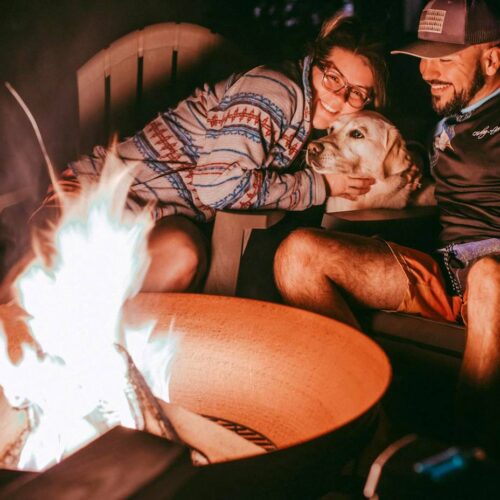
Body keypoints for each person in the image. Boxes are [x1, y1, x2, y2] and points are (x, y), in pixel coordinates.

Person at [0, 14, 391, 302]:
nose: (340, 98)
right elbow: (217, 185)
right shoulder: (276, 91)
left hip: (170, 214)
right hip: (106, 191)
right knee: (49, 270)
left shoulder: (314, 125)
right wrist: (319, 187)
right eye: (333, 77)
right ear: (315, 64)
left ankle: (86, 339)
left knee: (184, 258)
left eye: (358, 92)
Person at [274, 0, 500, 455]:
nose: (428, 72)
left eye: (445, 60)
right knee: (298, 256)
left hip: (492, 279)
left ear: (493, 59)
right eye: (423, 59)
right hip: (447, 273)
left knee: (489, 277)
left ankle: (465, 458)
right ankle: (373, 424)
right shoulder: (452, 116)